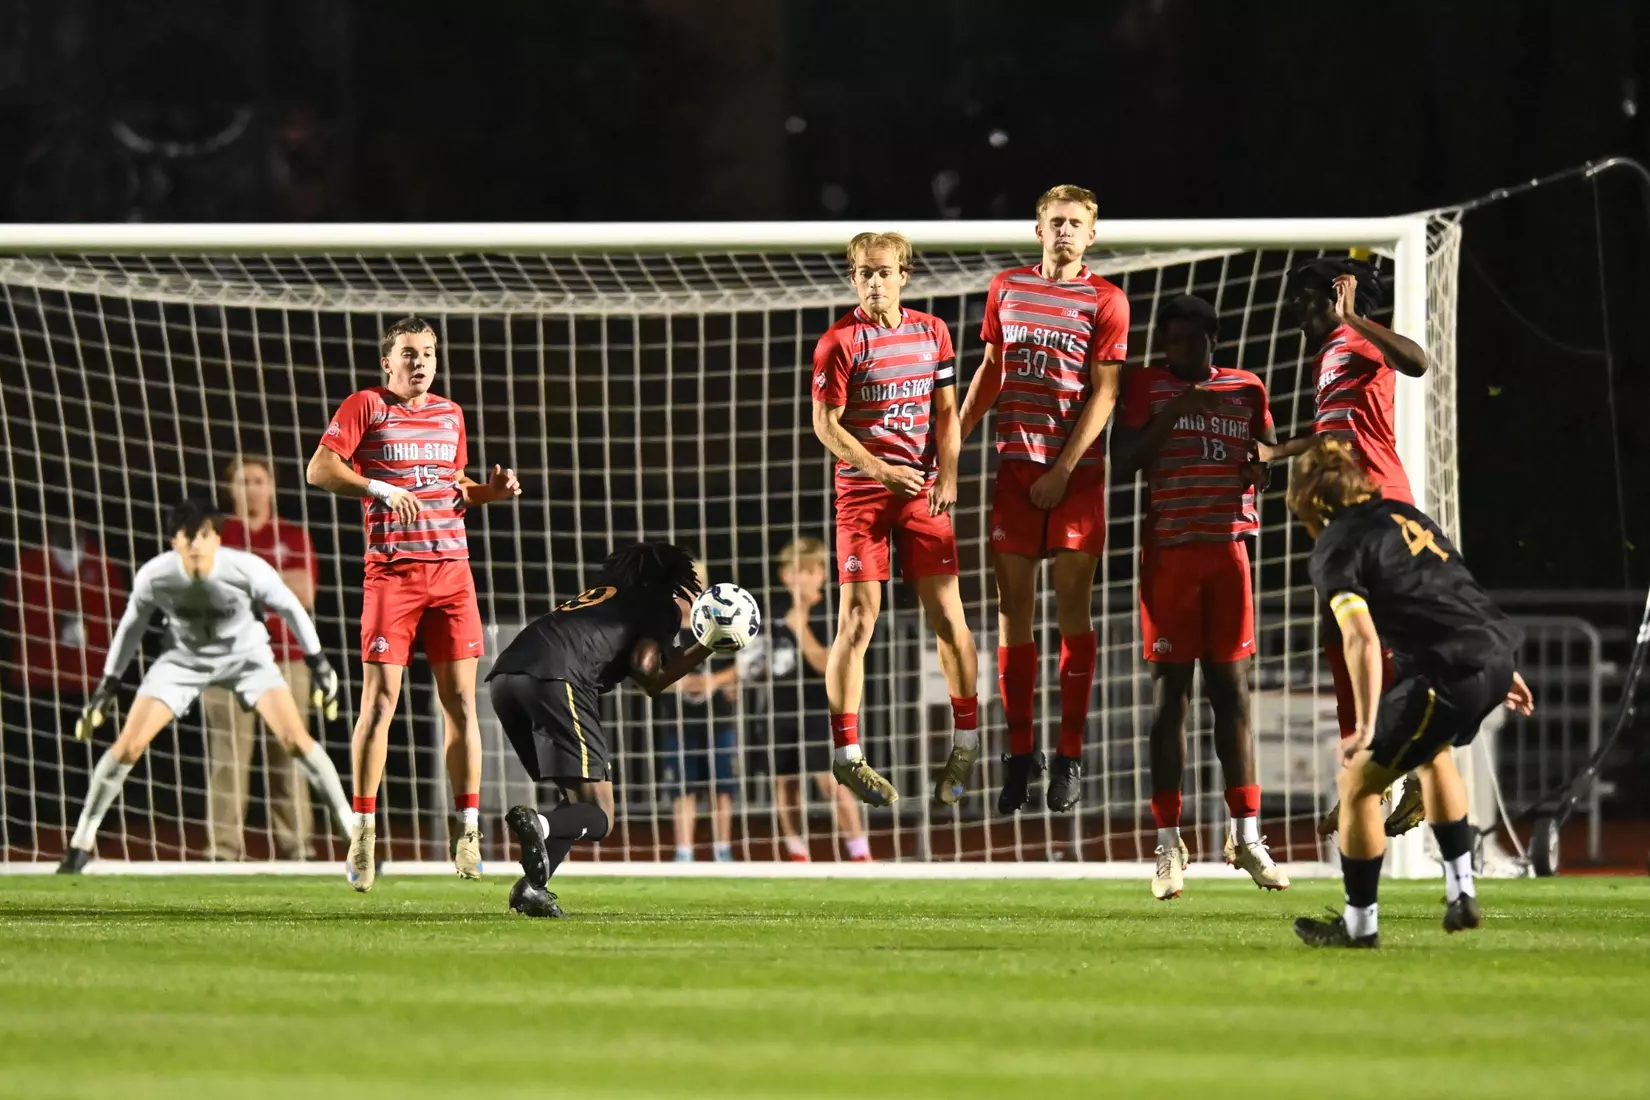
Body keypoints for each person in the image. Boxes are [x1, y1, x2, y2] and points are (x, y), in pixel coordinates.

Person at [1285, 439, 1534, 948]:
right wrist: (1500, 667)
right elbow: (1453, 584)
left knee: (1358, 783)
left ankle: (1359, 927)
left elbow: (1359, 637)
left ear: (1313, 501)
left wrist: (1367, 725)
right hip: (1492, 651)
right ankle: (1461, 892)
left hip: (1453, 669)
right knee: (1435, 756)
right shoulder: (1404, 514)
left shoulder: (1337, 543)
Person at [306, 316, 522, 891]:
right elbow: (320, 469)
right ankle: (363, 830)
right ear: (387, 361)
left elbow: (453, 487)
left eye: (428, 351)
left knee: (461, 706)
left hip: (453, 577)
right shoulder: (366, 406)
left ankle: (468, 828)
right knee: (378, 706)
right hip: (393, 578)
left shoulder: (451, 414)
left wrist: (490, 493)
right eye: (409, 352)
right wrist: (379, 488)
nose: (420, 361)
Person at [56, 501, 351, 873]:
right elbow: (130, 628)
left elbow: (292, 608)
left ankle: (352, 832)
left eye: (204, 535)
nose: (195, 543)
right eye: (186, 536)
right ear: (173, 541)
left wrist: (320, 663)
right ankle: (81, 842)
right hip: (182, 661)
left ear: (217, 539)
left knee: (295, 740)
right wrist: (108, 685)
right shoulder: (155, 576)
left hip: (248, 659)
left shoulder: (246, 568)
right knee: (128, 745)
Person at [958, 184, 1129, 814]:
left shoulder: (1108, 300)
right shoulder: (1006, 287)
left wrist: (1063, 469)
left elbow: (1105, 394)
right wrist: (951, 443)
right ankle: (1019, 758)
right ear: (1038, 230)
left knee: (1072, 612)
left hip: (1076, 474)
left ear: (1091, 233)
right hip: (1013, 470)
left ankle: (1071, 754)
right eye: (1055, 221)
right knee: (1012, 616)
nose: (1064, 231)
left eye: (1075, 223)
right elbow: (992, 370)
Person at [1113, 295, 1287, 898]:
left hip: (1227, 554)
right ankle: (1167, 844)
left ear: (1212, 340)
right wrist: (1176, 411)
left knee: (1233, 694)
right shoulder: (1146, 387)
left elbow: (1265, 453)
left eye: (1189, 341)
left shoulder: (1245, 388)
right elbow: (1124, 459)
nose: (1177, 351)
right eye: (1170, 342)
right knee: (1169, 703)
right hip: (1169, 556)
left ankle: (1246, 833)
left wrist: (1263, 470)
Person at [1258, 260, 1430, 836]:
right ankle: (1372, 772)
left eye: (1304, 298)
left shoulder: (1358, 337)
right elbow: (1334, 433)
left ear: (1333, 298)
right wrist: (1277, 454)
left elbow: (1418, 363)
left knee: (1379, 639)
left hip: (1379, 501)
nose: (1294, 310)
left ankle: (1416, 768)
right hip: (1344, 508)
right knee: (1339, 637)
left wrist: (1354, 315)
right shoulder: (1324, 355)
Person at [811, 231, 979, 807]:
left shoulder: (932, 332)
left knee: (948, 614)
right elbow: (826, 426)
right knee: (858, 623)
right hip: (864, 492)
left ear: (904, 274)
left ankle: (966, 741)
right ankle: (847, 756)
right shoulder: (838, 343)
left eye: (883, 272)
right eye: (863, 273)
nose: (874, 282)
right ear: (853, 277)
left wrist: (951, 474)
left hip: (924, 491)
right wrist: (880, 469)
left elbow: (947, 411)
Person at [490, 543, 744, 918]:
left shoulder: (604, 593)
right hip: (558, 678)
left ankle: (532, 888)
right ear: (674, 582)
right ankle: (538, 823)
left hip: (505, 678)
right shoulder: (661, 604)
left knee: (577, 800)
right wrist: (707, 645)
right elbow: (649, 674)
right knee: (600, 814)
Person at [202, 455, 320, 861]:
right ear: (229, 488)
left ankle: (297, 846)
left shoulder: (292, 533)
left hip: (286, 661)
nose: (251, 487)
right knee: (228, 760)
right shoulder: (216, 532)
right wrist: (272, 581)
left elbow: (304, 593)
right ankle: (223, 849)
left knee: (291, 755)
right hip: (228, 662)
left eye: (258, 480)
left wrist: (246, 582)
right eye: (242, 480)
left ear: (271, 486)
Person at [2, 496, 125, 843]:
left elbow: (118, 616)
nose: (70, 526)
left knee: (93, 753)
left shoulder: (104, 566)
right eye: (62, 518)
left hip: (88, 677)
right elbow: (12, 614)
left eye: (77, 518)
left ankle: (97, 826)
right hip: (38, 675)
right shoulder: (29, 564)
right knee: (31, 754)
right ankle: (20, 828)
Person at [750, 537, 872, 861]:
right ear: (784, 575)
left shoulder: (832, 611)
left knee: (830, 782)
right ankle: (796, 851)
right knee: (784, 783)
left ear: (820, 574)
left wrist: (800, 628)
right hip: (780, 708)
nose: (803, 577)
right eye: (796, 571)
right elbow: (765, 663)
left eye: (810, 571)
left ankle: (859, 852)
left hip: (820, 708)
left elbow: (826, 665)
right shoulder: (774, 613)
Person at [655, 561, 739, 862]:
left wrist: (713, 681)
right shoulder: (661, 631)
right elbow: (647, 673)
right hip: (678, 724)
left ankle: (723, 851)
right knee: (683, 789)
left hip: (719, 722)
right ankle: (684, 853)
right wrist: (681, 683)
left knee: (722, 789)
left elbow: (740, 669)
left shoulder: (722, 622)